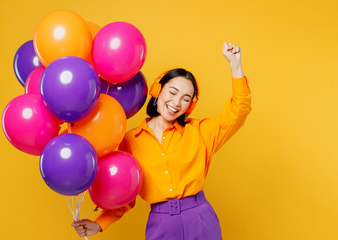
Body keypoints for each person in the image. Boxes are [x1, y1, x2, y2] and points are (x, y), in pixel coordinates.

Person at [72, 42, 251, 239]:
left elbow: (239, 110)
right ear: (157, 91)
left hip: (200, 218)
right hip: (161, 223)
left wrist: (235, 65)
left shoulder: (201, 131)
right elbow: (125, 193)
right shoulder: (130, 141)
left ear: (190, 106)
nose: (176, 103)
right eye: (172, 92)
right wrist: (99, 224)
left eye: (186, 98)